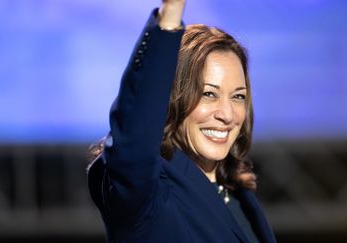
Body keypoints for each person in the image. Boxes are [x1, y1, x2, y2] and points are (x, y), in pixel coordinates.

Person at [87, 1, 276, 242]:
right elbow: (134, 136)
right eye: (209, 93)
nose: (227, 115)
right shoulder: (151, 194)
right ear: (172, 98)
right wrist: (171, 14)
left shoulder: (240, 195)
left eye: (238, 96)